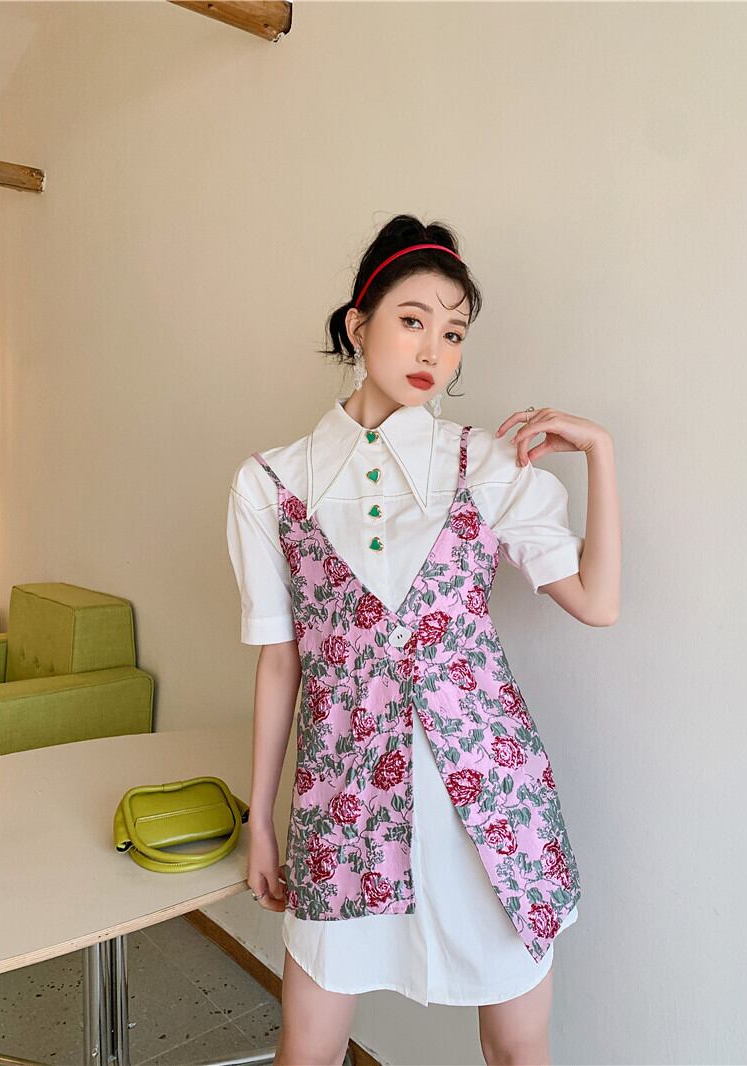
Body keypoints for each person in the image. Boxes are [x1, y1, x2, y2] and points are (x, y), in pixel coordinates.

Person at [226, 214, 621, 1066]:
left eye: (454, 332)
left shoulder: (486, 464)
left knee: (518, 1049)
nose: (433, 351)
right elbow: (280, 662)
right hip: (343, 807)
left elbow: (596, 602)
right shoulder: (271, 484)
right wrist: (262, 819)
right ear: (357, 322)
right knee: (308, 1047)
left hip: (492, 805)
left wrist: (601, 452)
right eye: (413, 320)